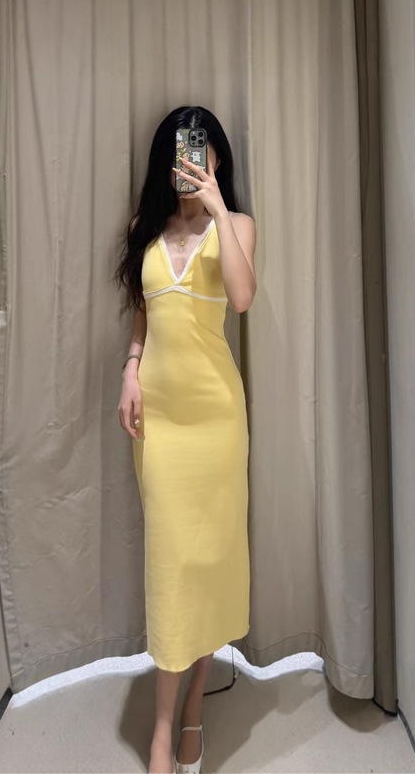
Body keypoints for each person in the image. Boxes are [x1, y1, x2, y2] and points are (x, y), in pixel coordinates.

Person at [114, 106, 257, 774]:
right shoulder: (144, 230)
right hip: (161, 425)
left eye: (201, 148)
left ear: (217, 157)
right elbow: (143, 317)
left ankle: (195, 701)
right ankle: (163, 730)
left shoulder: (238, 225)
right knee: (173, 568)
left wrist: (218, 208)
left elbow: (243, 297)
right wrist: (130, 370)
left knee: (207, 566)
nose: (191, 158)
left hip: (216, 423)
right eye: (180, 148)